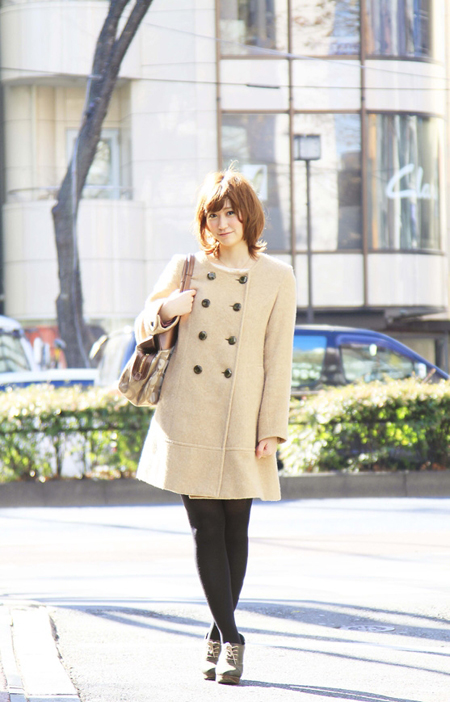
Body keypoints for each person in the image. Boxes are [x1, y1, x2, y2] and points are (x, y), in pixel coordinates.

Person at [134, 168, 297, 685]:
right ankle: (233, 639)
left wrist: (271, 427)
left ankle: (215, 631)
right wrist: (166, 308)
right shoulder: (186, 267)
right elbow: (143, 322)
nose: (222, 223)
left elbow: (279, 359)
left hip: (243, 416)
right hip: (188, 411)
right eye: (212, 214)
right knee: (206, 527)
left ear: (249, 217)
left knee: (235, 528)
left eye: (231, 213)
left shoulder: (277, 277)